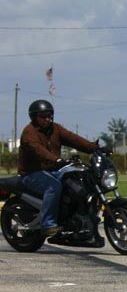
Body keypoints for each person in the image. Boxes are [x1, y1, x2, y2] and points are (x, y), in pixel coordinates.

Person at [18, 100, 100, 237]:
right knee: (53, 186)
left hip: (53, 170)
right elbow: (38, 150)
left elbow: (73, 139)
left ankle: (77, 216)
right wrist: (56, 160)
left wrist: (95, 148)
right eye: (43, 116)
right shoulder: (29, 132)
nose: (47, 119)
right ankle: (48, 224)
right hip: (31, 173)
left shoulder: (55, 128)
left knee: (79, 178)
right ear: (34, 117)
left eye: (50, 115)